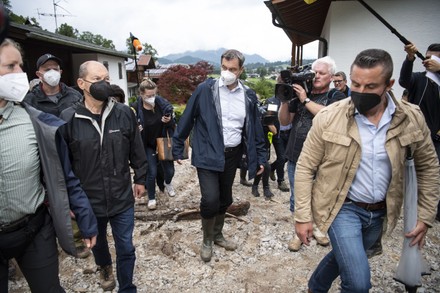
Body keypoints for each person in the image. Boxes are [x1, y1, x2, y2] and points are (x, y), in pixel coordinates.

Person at [294, 48, 440, 292]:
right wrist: (302, 216)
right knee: (359, 283)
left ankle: (316, 285)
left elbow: (428, 167)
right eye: (356, 84)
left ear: (389, 84)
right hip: (343, 208)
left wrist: (425, 216)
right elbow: (305, 166)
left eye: (370, 86)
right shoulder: (329, 117)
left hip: (381, 212)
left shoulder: (412, 118)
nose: (360, 92)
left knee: (347, 258)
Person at [0, 38, 98, 292]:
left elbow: (60, 173)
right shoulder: (34, 101)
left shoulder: (32, 120)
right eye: (10, 66)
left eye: (20, 65)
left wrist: (84, 216)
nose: (19, 74)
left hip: (33, 228)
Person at [60, 61, 147, 292]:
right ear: (81, 84)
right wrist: (68, 198)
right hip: (88, 200)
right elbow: (63, 164)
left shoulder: (123, 113)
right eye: (97, 80)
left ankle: (127, 286)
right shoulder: (69, 119)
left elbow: (136, 149)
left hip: (121, 196)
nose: (104, 84)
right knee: (97, 243)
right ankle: (104, 265)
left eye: (107, 79)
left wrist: (140, 177)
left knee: (126, 246)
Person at [172, 49, 267, 262]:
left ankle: (217, 234)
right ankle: (207, 239)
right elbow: (187, 117)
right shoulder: (205, 90)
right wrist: (178, 147)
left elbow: (255, 129)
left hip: (232, 155)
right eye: (224, 67)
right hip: (207, 152)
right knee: (210, 199)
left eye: (232, 69)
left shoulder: (248, 95)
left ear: (241, 70)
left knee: (225, 199)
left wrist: (261, 156)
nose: (227, 72)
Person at [24, 53, 90, 259]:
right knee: (54, 196)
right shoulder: (30, 101)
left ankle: (80, 234)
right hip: (46, 156)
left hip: (73, 152)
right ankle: (59, 236)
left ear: (61, 72)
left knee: (76, 191)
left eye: (55, 68)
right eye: (46, 69)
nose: (51, 72)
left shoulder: (74, 95)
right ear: (38, 74)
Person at [279, 56, 345, 251]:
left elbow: (330, 117)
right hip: (296, 155)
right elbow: (284, 122)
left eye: (321, 73)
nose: (316, 76)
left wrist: (305, 100)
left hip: (324, 158)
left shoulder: (336, 97)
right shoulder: (299, 94)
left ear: (331, 77)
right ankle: (298, 232)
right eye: (314, 72)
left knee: (320, 196)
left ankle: (317, 229)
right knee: (297, 197)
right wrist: (285, 100)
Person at [399, 42, 440, 222]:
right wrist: (410, 58)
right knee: (412, 174)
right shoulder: (419, 78)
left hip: (437, 138)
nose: (430, 61)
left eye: (435, 58)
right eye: (428, 56)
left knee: (432, 175)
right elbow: (404, 80)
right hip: (417, 136)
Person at [130, 78, 176, 210]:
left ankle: (167, 183)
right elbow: (130, 129)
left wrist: (168, 121)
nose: (151, 98)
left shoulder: (162, 106)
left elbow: (173, 125)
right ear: (141, 94)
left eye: (154, 95)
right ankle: (151, 197)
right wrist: (136, 130)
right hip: (147, 144)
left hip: (163, 141)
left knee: (170, 171)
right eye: (148, 96)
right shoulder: (135, 109)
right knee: (152, 172)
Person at [266, 94, 290, 192]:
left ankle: (272, 168)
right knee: (282, 157)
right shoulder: (272, 101)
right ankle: (281, 181)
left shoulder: (292, 100)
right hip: (277, 134)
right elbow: (268, 116)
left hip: (289, 133)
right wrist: (272, 127)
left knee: (287, 157)